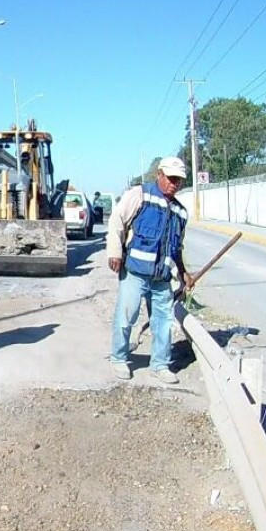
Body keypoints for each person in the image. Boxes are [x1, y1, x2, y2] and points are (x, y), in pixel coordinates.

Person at [106, 156, 195, 384]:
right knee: (126, 317)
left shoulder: (181, 212)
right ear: (160, 175)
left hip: (162, 278)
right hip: (135, 272)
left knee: (163, 322)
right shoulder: (140, 195)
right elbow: (117, 221)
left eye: (179, 180)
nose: (174, 183)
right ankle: (118, 358)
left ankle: (160, 365)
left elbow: (177, 247)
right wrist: (115, 251)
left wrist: (183, 272)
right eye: (171, 178)